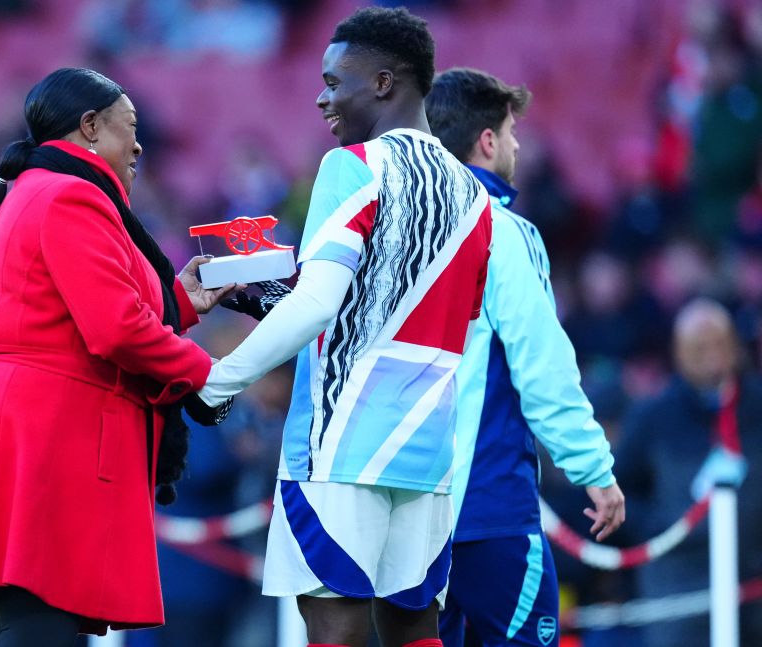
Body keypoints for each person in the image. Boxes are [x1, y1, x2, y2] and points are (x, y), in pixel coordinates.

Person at [0, 68, 235, 647]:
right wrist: (210, 376)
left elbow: (74, 316)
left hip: (27, 421)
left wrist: (179, 303)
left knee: (34, 625)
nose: (140, 143)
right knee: (40, 629)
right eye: (130, 127)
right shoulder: (72, 195)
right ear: (91, 127)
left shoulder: (45, 190)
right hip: (44, 430)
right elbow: (117, 329)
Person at [202, 8, 492, 647]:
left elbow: (319, 307)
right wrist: (257, 298)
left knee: (333, 630)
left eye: (335, 82)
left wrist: (215, 384)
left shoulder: (351, 167)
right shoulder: (474, 196)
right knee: (416, 628)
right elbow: (399, 311)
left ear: (384, 83)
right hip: (428, 447)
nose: (321, 96)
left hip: (342, 443)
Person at [424, 68, 625, 647]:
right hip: (486, 506)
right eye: (510, 133)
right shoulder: (504, 233)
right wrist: (593, 470)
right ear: (487, 140)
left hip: (403, 508)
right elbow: (543, 370)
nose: (515, 146)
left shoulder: (393, 233)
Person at [617, 299, 762, 647]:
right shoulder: (653, 418)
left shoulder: (758, 407)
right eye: (699, 347)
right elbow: (618, 496)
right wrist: (667, 528)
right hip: (678, 594)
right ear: (678, 353)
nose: (711, 354)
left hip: (755, 586)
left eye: (719, 343)